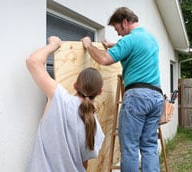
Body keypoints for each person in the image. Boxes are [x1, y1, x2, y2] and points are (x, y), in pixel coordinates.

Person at [81, 7, 164, 172]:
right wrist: (113, 45)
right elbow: (131, 48)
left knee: (130, 146)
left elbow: (104, 60)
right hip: (156, 98)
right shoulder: (150, 39)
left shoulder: (129, 40)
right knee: (149, 146)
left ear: (125, 22)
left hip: (138, 98)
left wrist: (89, 46)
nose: (119, 34)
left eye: (118, 29)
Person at [26, 36, 104, 172]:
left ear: (75, 85)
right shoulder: (94, 125)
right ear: (100, 92)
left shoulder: (59, 97)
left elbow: (32, 61)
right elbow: (84, 165)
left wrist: (53, 45)